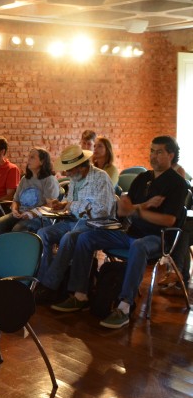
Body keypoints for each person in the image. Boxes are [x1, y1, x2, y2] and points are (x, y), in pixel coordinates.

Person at [51, 136, 189, 329]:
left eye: (159, 152)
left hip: (159, 237)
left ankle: (124, 306)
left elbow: (168, 220)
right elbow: (122, 211)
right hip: (130, 232)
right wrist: (140, 208)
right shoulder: (143, 178)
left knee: (139, 246)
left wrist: (137, 209)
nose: (153, 156)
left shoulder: (177, 183)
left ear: (171, 155)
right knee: (84, 238)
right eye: (151, 151)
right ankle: (80, 294)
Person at [35, 144, 115, 296]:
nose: (67, 173)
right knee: (43, 233)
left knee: (69, 238)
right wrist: (62, 204)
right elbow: (69, 201)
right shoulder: (75, 178)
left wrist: (71, 205)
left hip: (94, 223)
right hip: (73, 220)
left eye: (69, 169)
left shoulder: (100, 177)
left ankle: (50, 285)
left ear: (80, 166)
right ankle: (43, 279)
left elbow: (102, 210)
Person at [0, 147, 60, 235]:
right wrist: (14, 210)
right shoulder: (25, 179)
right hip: (21, 213)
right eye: (29, 157)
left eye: (32, 157)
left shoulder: (49, 180)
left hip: (40, 217)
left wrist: (31, 213)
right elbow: (16, 200)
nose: (28, 160)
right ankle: (8, 247)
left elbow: (50, 204)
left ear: (42, 162)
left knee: (18, 229)